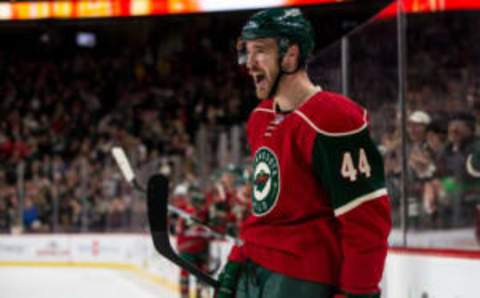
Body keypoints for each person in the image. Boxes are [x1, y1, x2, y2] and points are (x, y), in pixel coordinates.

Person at [216, 8, 391, 298]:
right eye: (246, 52)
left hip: (300, 280)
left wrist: (357, 292)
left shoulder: (334, 119)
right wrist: (238, 255)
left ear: (290, 55)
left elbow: (366, 223)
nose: (249, 63)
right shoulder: (260, 116)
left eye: (260, 51)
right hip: (254, 271)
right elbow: (265, 207)